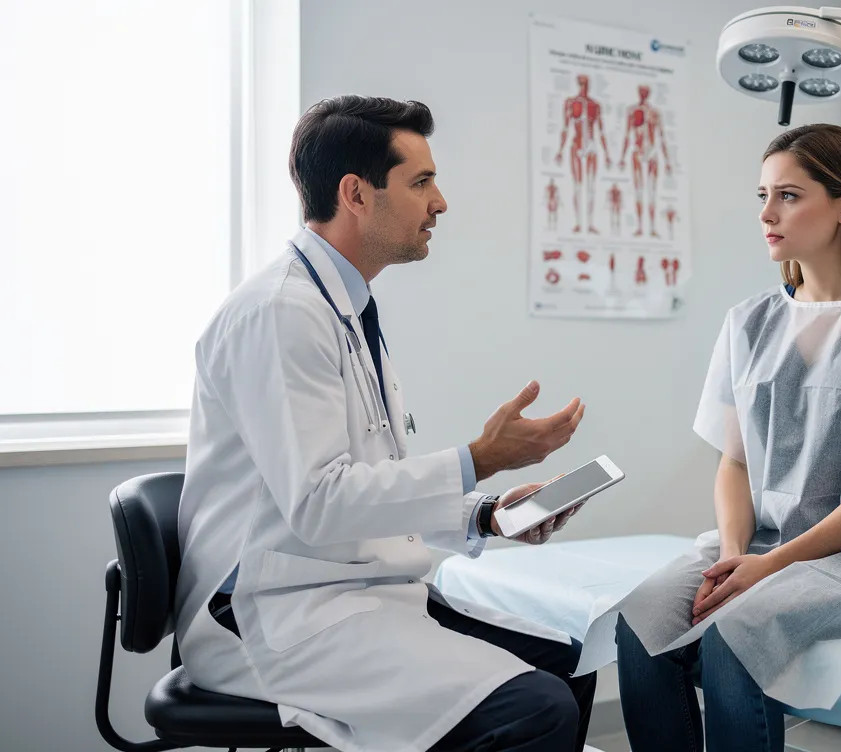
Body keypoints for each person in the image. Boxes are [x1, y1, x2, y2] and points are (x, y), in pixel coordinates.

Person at [174, 95, 597, 752]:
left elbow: (369, 486)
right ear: (356, 194)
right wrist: (480, 457)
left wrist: (484, 513)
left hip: (349, 585)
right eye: (421, 182)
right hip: (276, 612)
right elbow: (320, 504)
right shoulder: (282, 314)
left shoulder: (344, 307)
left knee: (569, 664)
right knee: (534, 708)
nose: (441, 203)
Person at [574, 124, 841, 752]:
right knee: (641, 619)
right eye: (763, 196)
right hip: (764, 542)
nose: (767, 214)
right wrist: (734, 559)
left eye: (790, 196)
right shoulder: (751, 321)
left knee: (736, 629)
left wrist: (767, 571)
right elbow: (735, 465)